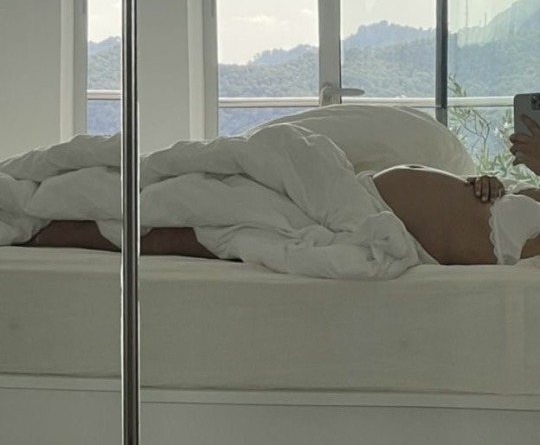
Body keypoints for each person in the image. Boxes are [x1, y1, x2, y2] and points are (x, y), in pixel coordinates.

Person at [22, 162, 540, 267]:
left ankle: (43, 226)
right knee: (207, 185)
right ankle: (49, 195)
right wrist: (492, 184)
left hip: (355, 222)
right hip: (349, 190)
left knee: (207, 217)